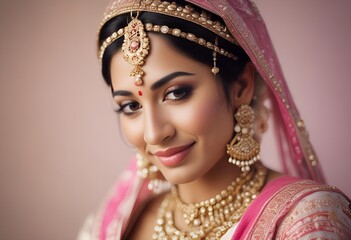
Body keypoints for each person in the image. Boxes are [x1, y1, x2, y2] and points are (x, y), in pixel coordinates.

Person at [78, 0, 351, 239]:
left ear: (241, 86)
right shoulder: (115, 223)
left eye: (176, 93)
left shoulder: (306, 221)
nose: (153, 134)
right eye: (130, 106)